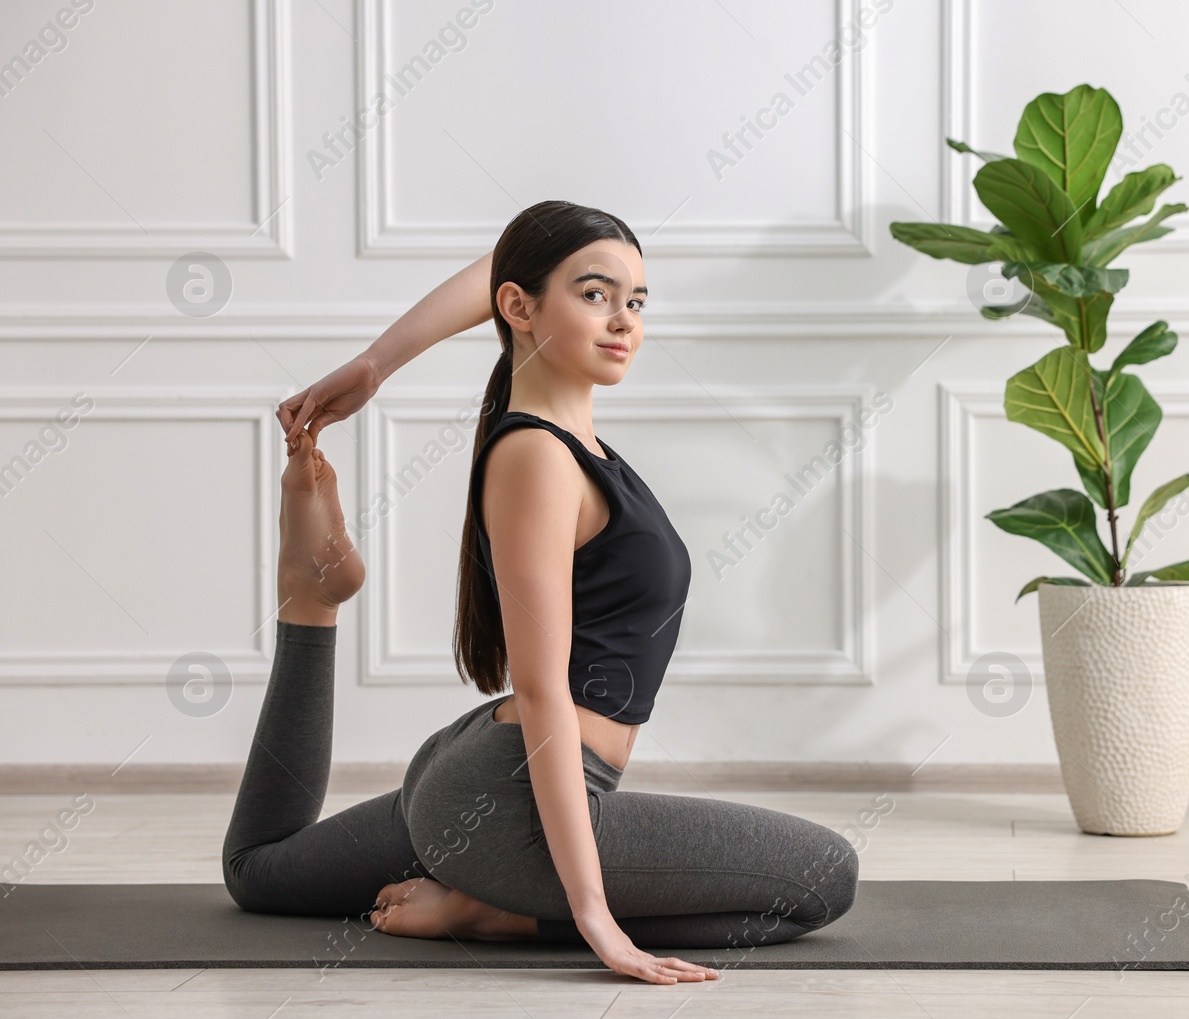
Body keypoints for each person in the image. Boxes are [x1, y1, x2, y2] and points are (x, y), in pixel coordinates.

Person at [222, 200, 859, 985]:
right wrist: (587, 916)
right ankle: (496, 908)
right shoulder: (539, 457)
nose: (623, 319)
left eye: (636, 300)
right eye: (595, 295)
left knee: (259, 872)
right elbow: (541, 686)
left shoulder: (565, 443)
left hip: (474, 773)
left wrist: (375, 365)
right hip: (507, 802)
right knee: (825, 875)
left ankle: (308, 602)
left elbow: (501, 270)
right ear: (521, 309)